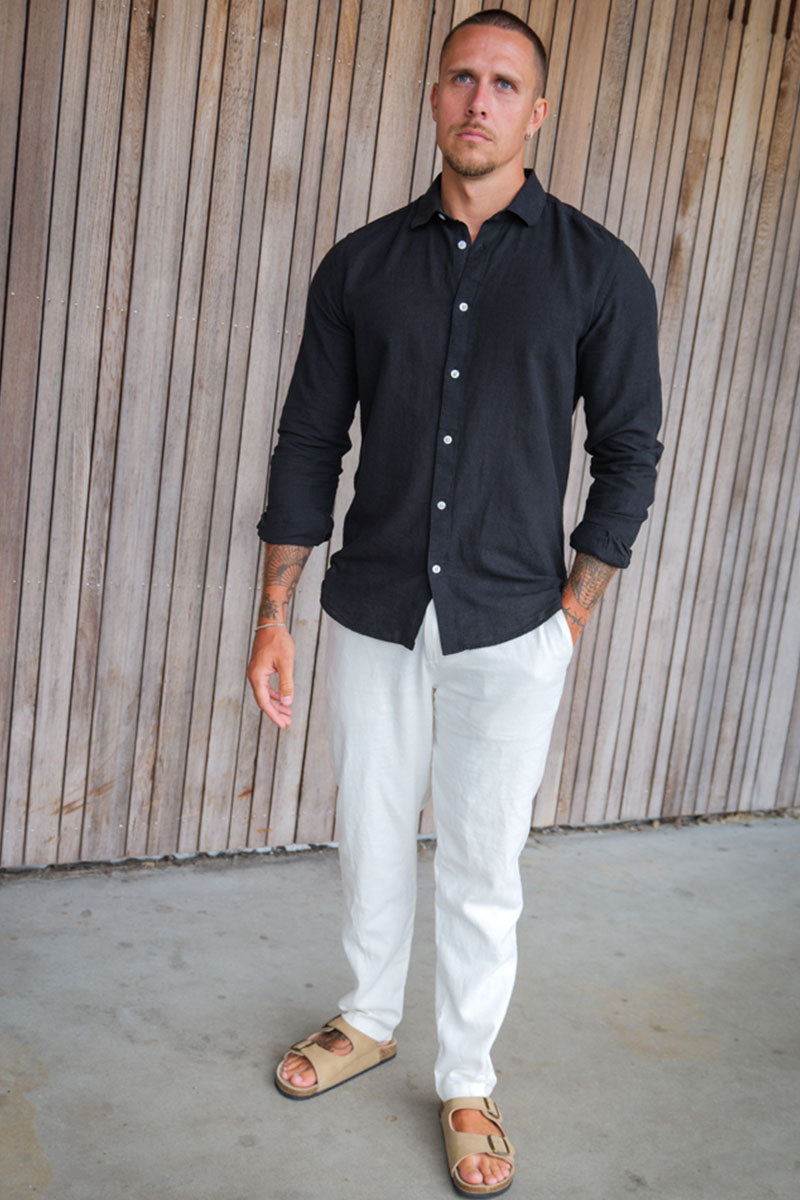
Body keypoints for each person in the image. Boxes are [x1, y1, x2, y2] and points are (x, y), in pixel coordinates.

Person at [247, 9, 662, 1195]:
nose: (479, 100)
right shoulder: (360, 266)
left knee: (483, 863)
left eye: (504, 84)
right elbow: (308, 440)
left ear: (537, 113)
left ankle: (467, 1080)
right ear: (434, 98)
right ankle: (367, 1019)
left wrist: (571, 612)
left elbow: (628, 452)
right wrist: (274, 612)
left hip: (513, 619)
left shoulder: (597, 270)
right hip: (372, 604)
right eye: (461, 78)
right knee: (369, 833)